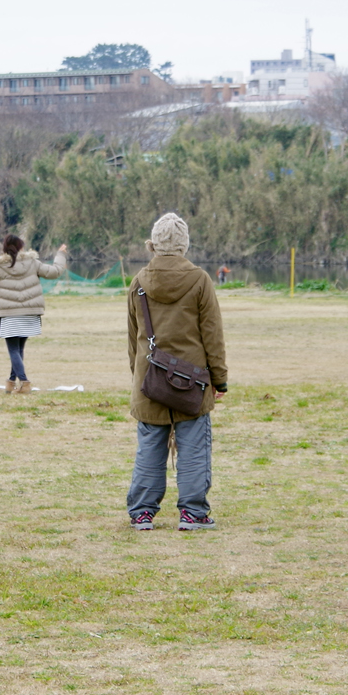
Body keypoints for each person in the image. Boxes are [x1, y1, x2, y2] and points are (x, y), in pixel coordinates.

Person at [126, 212, 228, 529]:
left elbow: (134, 339)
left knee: (149, 447)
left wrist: (139, 377)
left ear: (153, 244)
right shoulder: (200, 280)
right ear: (185, 245)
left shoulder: (138, 282)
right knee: (195, 447)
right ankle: (194, 513)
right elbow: (213, 335)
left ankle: (142, 512)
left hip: (149, 378)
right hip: (193, 381)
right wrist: (219, 379)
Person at [0, 234, 69, 393]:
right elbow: (55, 271)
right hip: (30, 312)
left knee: (13, 350)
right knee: (19, 349)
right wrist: (60, 254)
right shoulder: (32, 263)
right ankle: (10, 382)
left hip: (8, 314)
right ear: (21, 247)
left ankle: (24, 382)